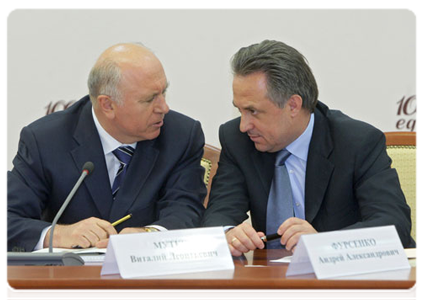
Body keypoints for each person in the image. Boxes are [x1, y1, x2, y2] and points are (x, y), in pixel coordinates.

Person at [202, 40, 416, 256]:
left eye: (253, 111)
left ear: (293, 105)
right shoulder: (237, 139)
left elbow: (392, 224)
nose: (244, 125)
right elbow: (220, 213)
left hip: (351, 280)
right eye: (240, 111)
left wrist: (325, 244)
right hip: (270, 280)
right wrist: (228, 234)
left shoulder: (357, 142)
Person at [6, 43, 207, 252]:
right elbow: (7, 218)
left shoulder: (181, 136)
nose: (163, 107)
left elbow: (186, 209)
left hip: (148, 276)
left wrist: (149, 235)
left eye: (164, 92)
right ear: (108, 105)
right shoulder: (45, 140)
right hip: (68, 278)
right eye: (149, 99)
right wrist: (58, 234)